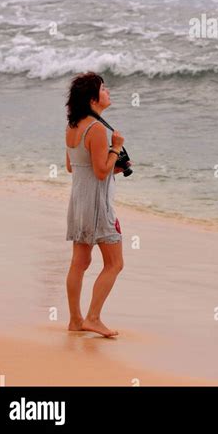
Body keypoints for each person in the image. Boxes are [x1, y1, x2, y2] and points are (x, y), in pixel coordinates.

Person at [65, 71, 130, 338]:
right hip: (98, 206)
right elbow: (102, 172)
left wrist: (117, 166)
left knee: (79, 263)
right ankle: (93, 317)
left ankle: (75, 320)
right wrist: (116, 147)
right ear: (93, 99)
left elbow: (74, 167)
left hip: (78, 202)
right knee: (115, 264)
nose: (108, 92)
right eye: (104, 89)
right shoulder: (98, 130)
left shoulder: (72, 127)